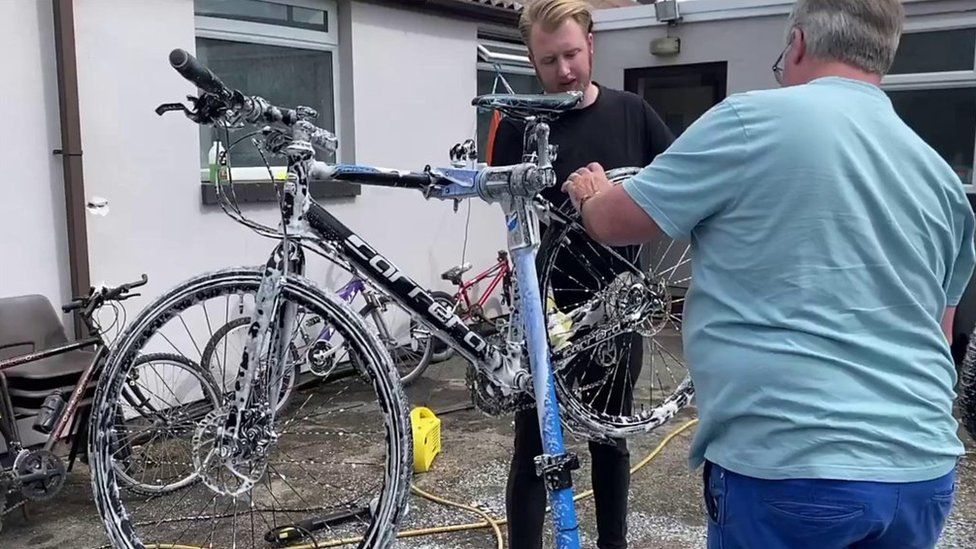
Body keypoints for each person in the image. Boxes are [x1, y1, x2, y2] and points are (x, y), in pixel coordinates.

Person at [561, 0, 976, 547]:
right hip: (920, 472)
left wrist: (592, 195)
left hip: (793, 467)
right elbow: (938, 336)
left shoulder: (750, 121)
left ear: (798, 43)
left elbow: (618, 224)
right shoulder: (940, 179)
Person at [489, 1, 673, 548]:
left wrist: (610, 199)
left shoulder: (631, 113)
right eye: (548, 61)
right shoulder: (519, 123)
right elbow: (509, 211)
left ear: (591, 44)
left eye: (571, 54)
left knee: (609, 442)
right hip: (544, 310)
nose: (563, 70)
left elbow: (676, 187)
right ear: (531, 59)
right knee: (533, 448)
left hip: (618, 307)